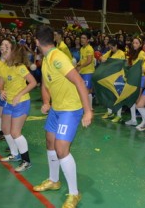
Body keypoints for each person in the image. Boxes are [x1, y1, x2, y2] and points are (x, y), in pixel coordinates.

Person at [33, 26, 93, 208]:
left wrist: (88, 110)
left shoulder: (57, 57)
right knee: (50, 141)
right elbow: (45, 84)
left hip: (70, 109)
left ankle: (74, 194)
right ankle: (54, 180)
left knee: (61, 149)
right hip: (56, 108)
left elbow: (79, 81)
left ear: (36, 42)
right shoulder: (45, 59)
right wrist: (46, 102)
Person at [0, 41, 37, 172]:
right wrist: (1, 90)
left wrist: (19, 95)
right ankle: (15, 154)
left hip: (21, 102)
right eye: (1, 46)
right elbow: (1, 82)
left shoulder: (19, 67)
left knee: (15, 132)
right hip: (8, 102)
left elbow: (33, 82)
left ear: (13, 51)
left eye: (6, 46)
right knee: (5, 129)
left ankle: (26, 161)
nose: (3, 48)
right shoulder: (3, 66)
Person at [101, 39, 126, 123]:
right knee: (109, 95)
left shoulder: (121, 53)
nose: (111, 49)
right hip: (110, 77)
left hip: (118, 77)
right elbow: (102, 57)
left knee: (117, 96)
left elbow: (118, 63)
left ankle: (119, 115)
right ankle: (110, 112)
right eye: (109, 47)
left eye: (112, 47)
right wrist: (102, 58)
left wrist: (107, 61)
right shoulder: (110, 52)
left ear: (116, 46)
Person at [125, 37, 145, 126]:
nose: (135, 44)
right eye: (134, 43)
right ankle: (133, 119)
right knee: (132, 98)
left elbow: (144, 65)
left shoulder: (141, 53)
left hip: (140, 78)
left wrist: (140, 69)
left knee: (137, 100)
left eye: (137, 43)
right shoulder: (133, 53)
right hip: (134, 78)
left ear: (140, 44)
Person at [76, 32, 95, 109]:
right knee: (82, 89)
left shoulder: (89, 49)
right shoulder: (82, 48)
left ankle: (89, 108)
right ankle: (85, 106)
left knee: (88, 90)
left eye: (84, 38)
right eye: (81, 38)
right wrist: (76, 65)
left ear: (88, 40)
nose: (82, 40)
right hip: (82, 72)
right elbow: (82, 60)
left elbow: (89, 60)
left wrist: (80, 67)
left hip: (88, 72)